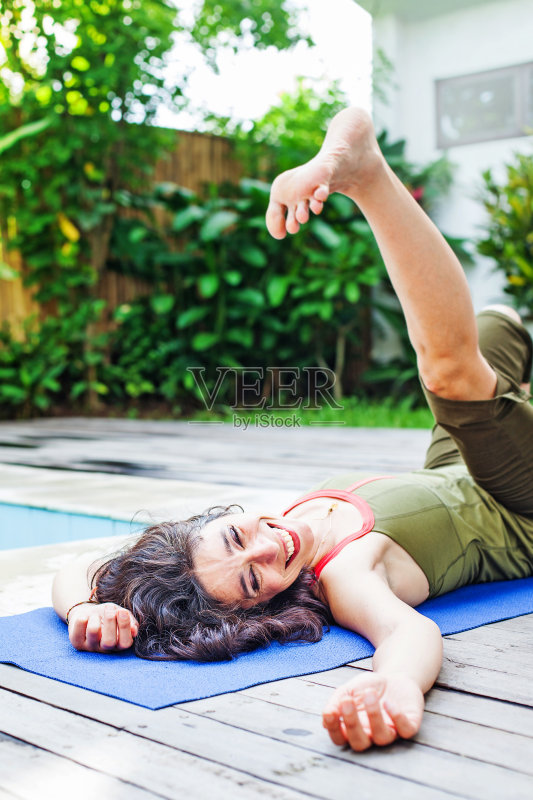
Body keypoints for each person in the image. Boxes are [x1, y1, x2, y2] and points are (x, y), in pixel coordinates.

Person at [52, 107, 533, 753]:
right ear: (265, 610)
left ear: (215, 520)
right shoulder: (343, 576)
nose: (266, 549)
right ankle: (365, 176)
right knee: (450, 374)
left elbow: (80, 563)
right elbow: (405, 633)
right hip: (518, 504)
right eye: (253, 580)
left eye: (234, 535)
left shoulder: (280, 523)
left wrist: (87, 608)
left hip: (456, 466)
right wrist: (394, 687)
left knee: (496, 324)